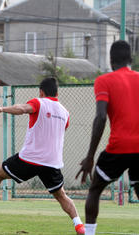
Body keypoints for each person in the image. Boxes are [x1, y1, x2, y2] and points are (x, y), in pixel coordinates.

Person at [0, 77, 85, 234]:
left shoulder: (39, 102)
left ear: (41, 92)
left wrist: (2, 108)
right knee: (61, 195)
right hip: (52, 162)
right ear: (57, 92)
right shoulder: (65, 112)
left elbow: (22, 108)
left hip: (31, 158)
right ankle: (79, 225)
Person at [76, 40, 139, 235]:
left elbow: (101, 116)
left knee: (95, 189)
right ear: (131, 59)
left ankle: (90, 233)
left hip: (118, 148)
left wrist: (90, 157)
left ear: (111, 61)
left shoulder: (104, 81)